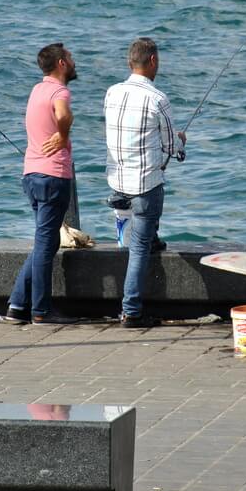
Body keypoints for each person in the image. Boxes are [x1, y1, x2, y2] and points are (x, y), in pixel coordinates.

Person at [103, 37, 185, 328]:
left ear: (129, 62)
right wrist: (180, 141)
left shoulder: (112, 93)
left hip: (117, 182)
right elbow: (171, 147)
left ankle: (152, 237)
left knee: (134, 236)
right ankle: (131, 311)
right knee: (138, 249)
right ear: (153, 61)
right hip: (144, 185)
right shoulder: (157, 98)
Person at [5, 43, 80, 326]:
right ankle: (40, 310)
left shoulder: (37, 89)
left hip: (31, 174)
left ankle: (16, 305)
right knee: (46, 245)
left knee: (43, 243)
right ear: (61, 63)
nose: (73, 62)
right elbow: (63, 114)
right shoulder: (60, 91)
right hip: (52, 176)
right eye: (70, 58)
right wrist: (63, 134)